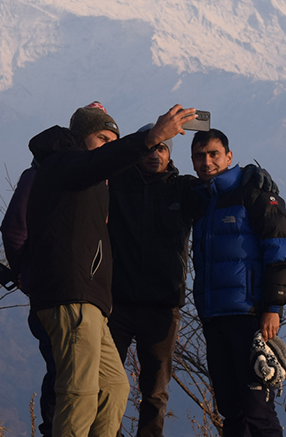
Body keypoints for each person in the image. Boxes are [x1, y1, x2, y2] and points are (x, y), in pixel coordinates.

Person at [26, 102, 198, 437]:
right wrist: (150, 136)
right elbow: (98, 160)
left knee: (114, 388)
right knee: (80, 394)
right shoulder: (65, 163)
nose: (109, 146)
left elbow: (101, 160)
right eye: (102, 137)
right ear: (80, 139)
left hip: (92, 301)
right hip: (72, 295)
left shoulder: (84, 173)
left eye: (112, 139)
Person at [189, 129, 286, 437]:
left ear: (229, 157)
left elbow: (281, 253)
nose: (207, 162)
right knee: (231, 410)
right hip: (214, 317)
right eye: (199, 156)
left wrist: (273, 307)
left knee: (257, 411)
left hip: (250, 316)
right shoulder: (201, 200)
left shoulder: (255, 194)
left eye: (213, 154)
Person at [107, 126, 200, 437]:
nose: (154, 155)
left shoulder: (184, 188)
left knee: (155, 390)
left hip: (162, 305)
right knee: (104, 381)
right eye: (149, 149)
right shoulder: (116, 183)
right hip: (115, 301)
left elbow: (222, 194)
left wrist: (252, 181)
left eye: (162, 149)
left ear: (170, 154)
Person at [0, 162, 57, 436]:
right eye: (103, 139)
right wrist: (27, 275)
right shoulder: (45, 175)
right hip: (54, 296)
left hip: (82, 296)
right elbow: (14, 231)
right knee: (63, 373)